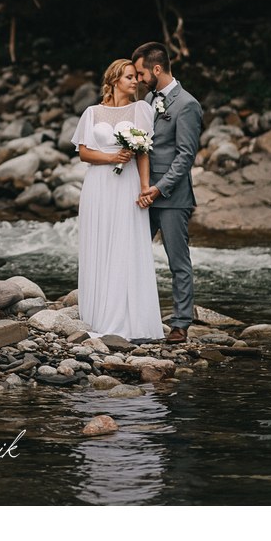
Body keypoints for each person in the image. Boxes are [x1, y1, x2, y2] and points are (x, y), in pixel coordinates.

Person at [70, 58, 164, 342]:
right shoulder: (92, 112)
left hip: (128, 183)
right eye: (128, 77)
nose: (135, 81)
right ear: (113, 81)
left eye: (136, 76)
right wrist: (112, 157)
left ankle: (130, 318)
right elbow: (84, 153)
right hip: (98, 184)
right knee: (99, 241)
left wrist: (145, 187)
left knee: (125, 242)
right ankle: (98, 314)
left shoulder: (141, 109)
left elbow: (144, 152)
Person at [132, 41, 203, 343]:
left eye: (140, 73)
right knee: (133, 254)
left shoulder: (187, 104)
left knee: (177, 262)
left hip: (172, 198)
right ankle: (132, 315)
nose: (138, 79)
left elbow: (186, 156)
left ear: (156, 69)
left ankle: (181, 323)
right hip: (144, 193)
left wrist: (158, 189)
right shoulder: (149, 99)